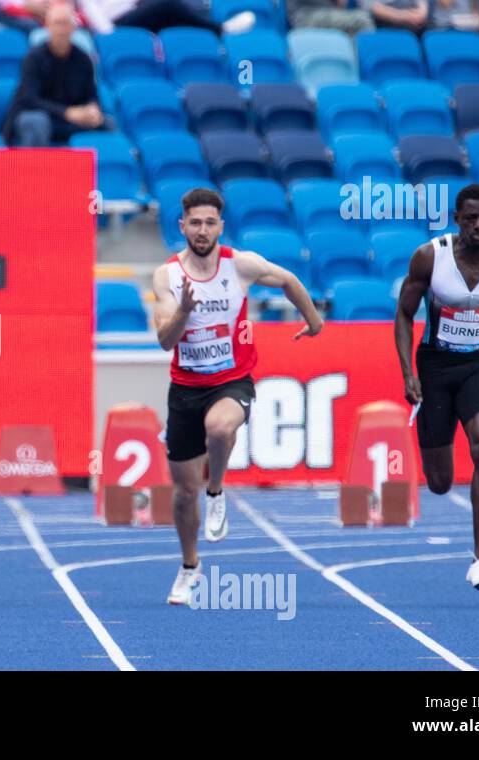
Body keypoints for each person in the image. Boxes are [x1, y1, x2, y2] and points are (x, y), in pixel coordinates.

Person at [150, 188, 323, 606]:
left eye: (210, 223)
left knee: (221, 425)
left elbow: (289, 280)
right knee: (182, 492)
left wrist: (314, 322)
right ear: (183, 226)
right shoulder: (167, 276)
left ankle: (218, 490)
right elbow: (164, 340)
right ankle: (190, 566)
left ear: (220, 226)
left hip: (233, 380)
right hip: (186, 388)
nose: (203, 230)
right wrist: (185, 312)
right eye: (195, 223)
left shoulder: (239, 265)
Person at [393, 184, 479, 593]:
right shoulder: (431, 257)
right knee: (439, 481)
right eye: (471, 218)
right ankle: (433, 444)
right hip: (434, 366)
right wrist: (408, 373)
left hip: (477, 365)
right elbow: (403, 314)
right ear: (457, 218)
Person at [4, 3, 104, 147]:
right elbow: (28, 99)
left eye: (65, 24)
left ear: (73, 27)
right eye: (57, 24)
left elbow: (91, 93)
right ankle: (35, 168)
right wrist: (67, 112)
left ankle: (100, 169)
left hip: (68, 119)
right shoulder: (34, 58)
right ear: (47, 26)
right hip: (35, 115)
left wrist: (93, 108)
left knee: (107, 124)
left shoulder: (83, 59)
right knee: (37, 122)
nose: (61, 30)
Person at [78, 0, 256, 35]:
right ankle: (220, 30)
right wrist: (109, 33)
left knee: (175, 16)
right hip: (117, 24)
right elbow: (91, 8)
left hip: (134, 10)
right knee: (167, 5)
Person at [285, 0, 375, 35]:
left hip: (331, 15)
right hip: (306, 16)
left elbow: (342, 5)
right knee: (361, 20)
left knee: (359, 20)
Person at [363, 0, 428, 32]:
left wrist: (422, 11)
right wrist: (404, 16)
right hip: (387, 22)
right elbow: (373, 8)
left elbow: (422, 5)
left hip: (420, 18)